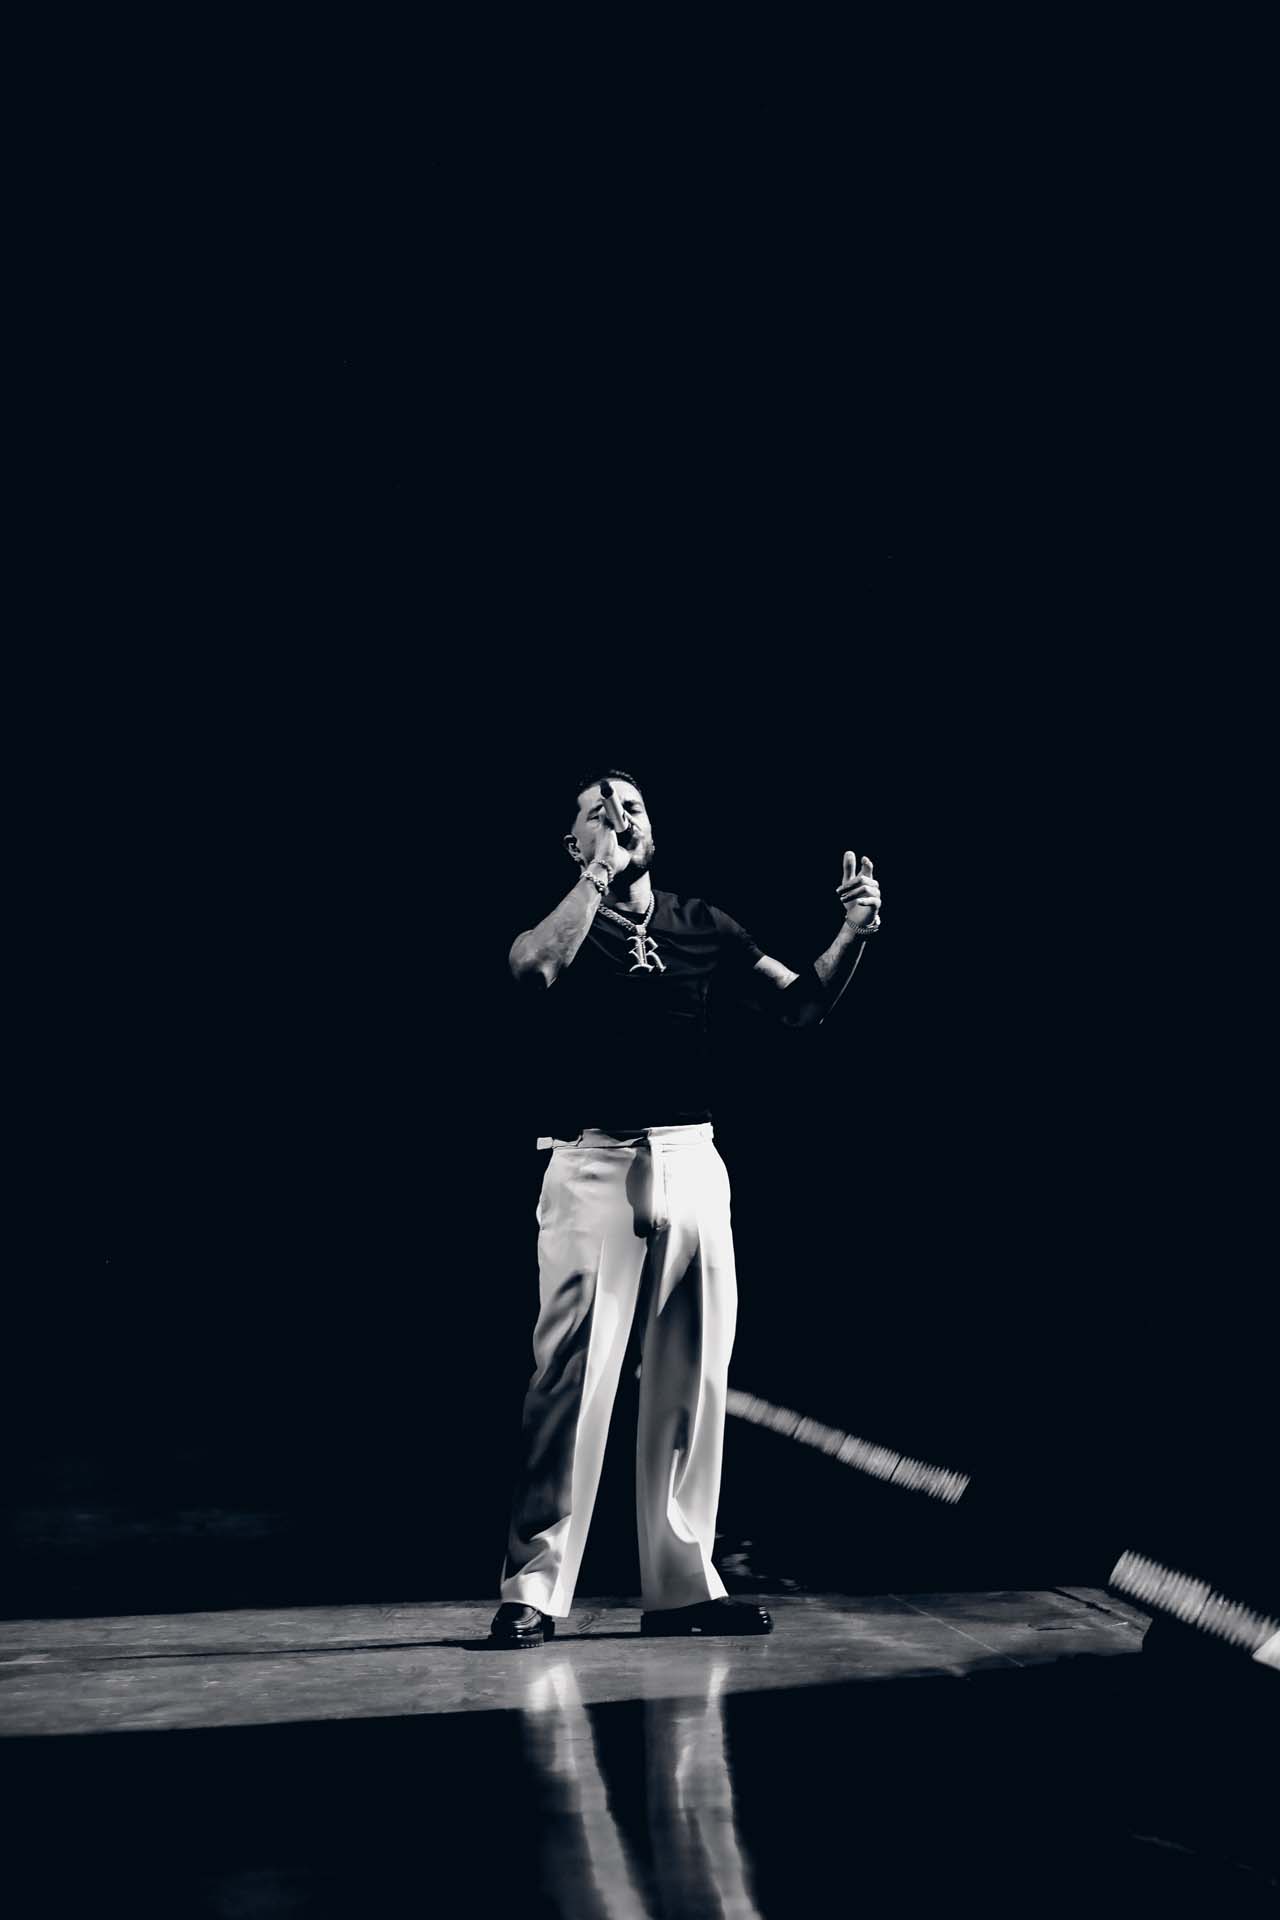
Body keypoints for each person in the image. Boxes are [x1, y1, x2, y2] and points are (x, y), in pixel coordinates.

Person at [489, 769, 881, 1648]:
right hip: (592, 1162)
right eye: (599, 812)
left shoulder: (702, 923)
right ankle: (535, 1588)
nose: (620, 818)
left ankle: (682, 1588)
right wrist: (596, 874)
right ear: (574, 841)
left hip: (692, 1158)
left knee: (693, 1379)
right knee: (569, 1383)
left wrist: (851, 936)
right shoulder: (570, 921)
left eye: (632, 807)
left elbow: (803, 1005)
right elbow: (531, 970)